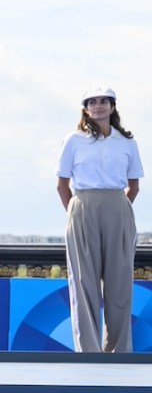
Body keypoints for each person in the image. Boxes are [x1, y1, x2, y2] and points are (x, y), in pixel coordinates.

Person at [56, 86, 143, 353]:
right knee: (84, 283)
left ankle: (119, 351)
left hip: (118, 206)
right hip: (82, 206)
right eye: (92, 102)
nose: (99, 106)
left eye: (104, 101)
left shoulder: (127, 142)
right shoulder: (73, 140)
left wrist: (117, 211)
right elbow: (62, 185)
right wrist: (77, 214)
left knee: (120, 284)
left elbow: (134, 186)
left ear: (113, 107)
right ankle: (89, 353)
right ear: (86, 109)